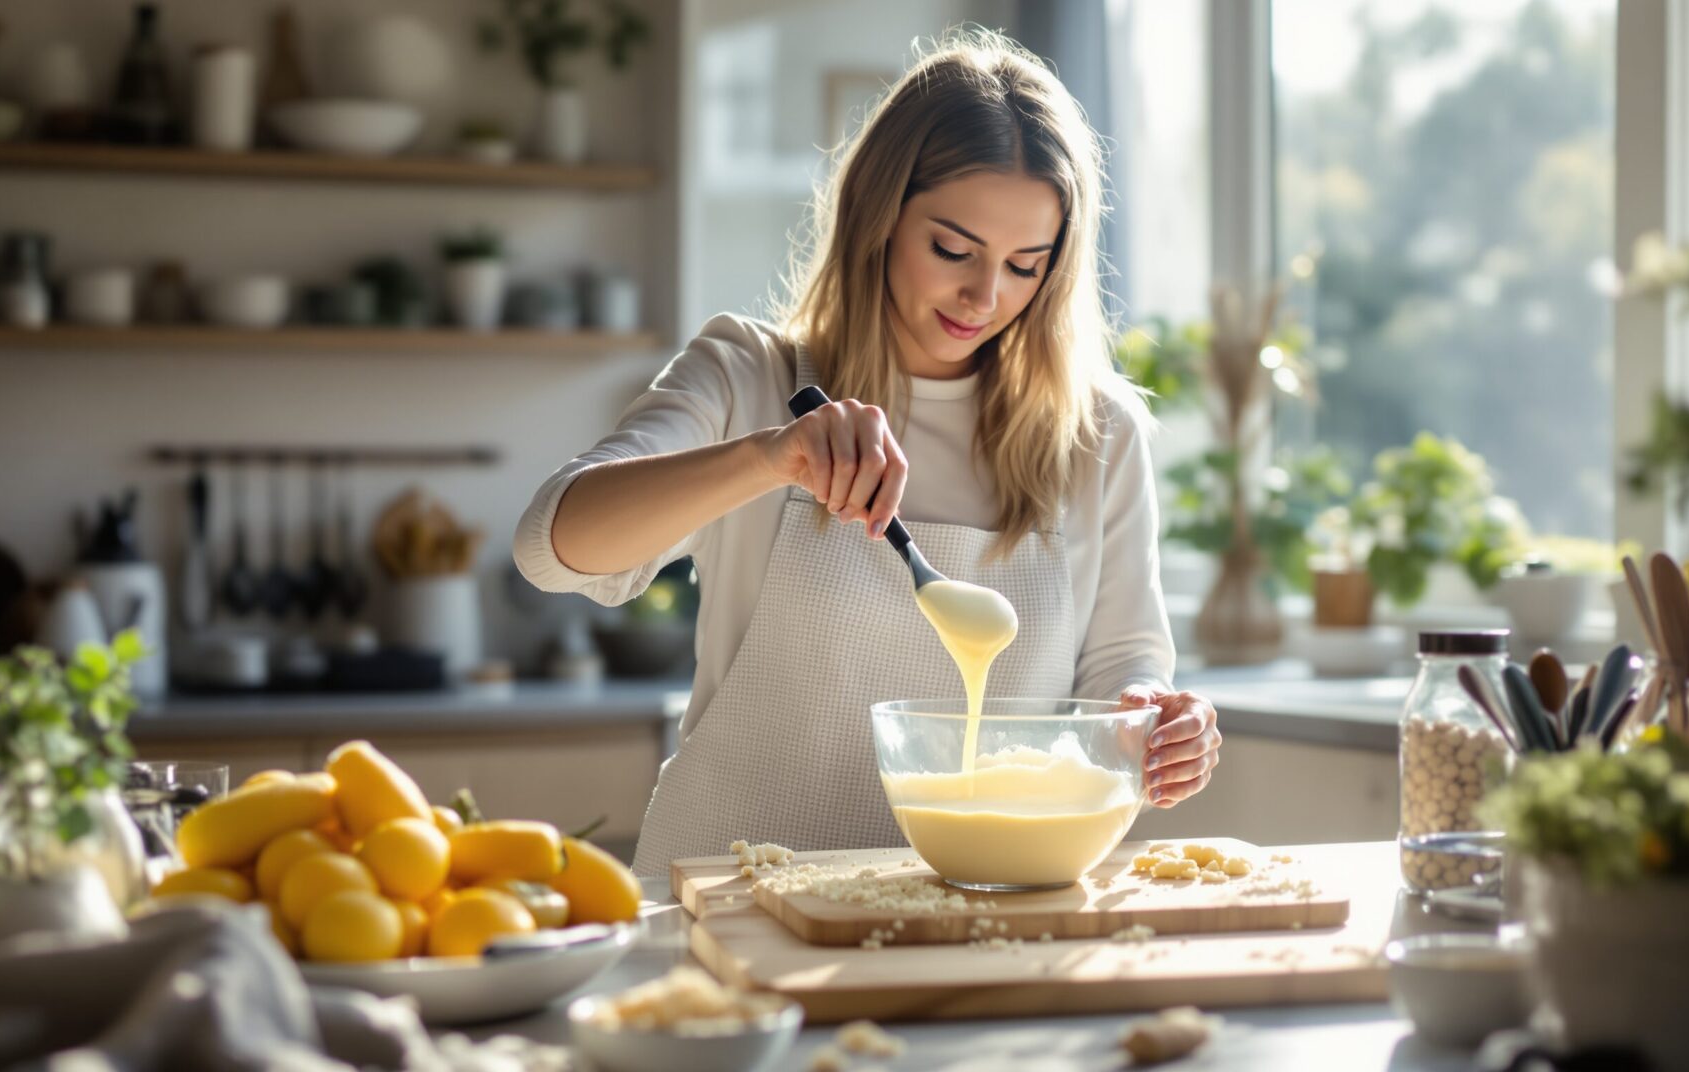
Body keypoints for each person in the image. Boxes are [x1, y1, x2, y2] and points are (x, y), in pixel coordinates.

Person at [516, 30, 1221, 875]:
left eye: (1026, 266)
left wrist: (1153, 721)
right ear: (879, 218)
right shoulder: (751, 374)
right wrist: (770, 459)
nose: (985, 296)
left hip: (981, 907)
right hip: (730, 896)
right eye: (953, 251)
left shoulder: (1096, 434)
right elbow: (550, 550)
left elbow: (1121, 666)